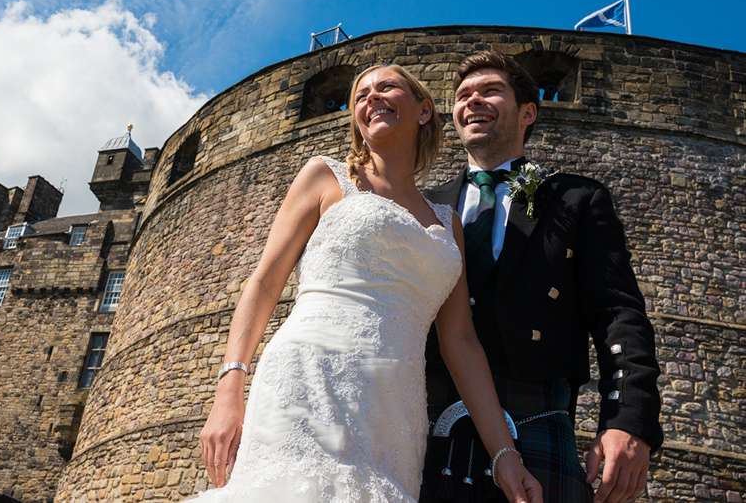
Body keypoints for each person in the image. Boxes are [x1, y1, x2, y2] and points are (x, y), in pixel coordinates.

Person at [194, 65, 542, 503]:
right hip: (307, 376)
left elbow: (461, 342)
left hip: (396, 410)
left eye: (386, 87)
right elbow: (263, 283)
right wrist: (229, 388)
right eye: (361, 94)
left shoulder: (447, 223)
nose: (371, 97)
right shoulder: (325, 177)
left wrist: (504, 454)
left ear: (423, 109)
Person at [421, 51, 663, 503]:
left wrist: (628, 419)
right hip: (422, 413)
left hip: (534, 415)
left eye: (490, 91)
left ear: (528, 112)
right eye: (462, 95)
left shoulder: (575, 198)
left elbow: (617, 313)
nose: (472, 101)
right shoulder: (422, 207)